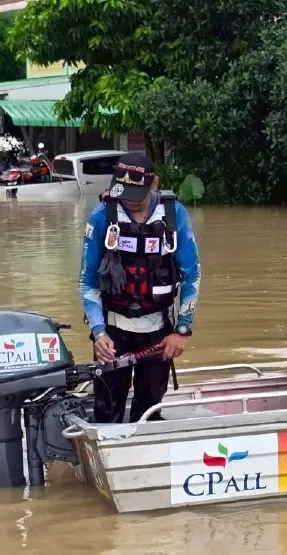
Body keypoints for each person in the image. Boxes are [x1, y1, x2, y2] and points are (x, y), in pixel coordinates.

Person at [79, 152, 202, 422]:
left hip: (159, 333)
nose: (130, 201)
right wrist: (99, 333)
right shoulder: (101, 217)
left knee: (148, 411)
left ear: (154, 183)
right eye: (123, 194)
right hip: (113, 334)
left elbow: (192, 275)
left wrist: (182, 330)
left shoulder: (174, 215)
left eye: (137, 194)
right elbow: (87, 282)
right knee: (106, 412)